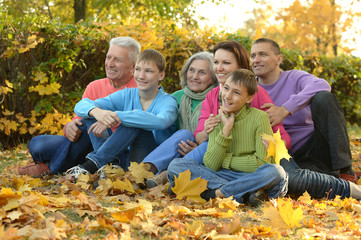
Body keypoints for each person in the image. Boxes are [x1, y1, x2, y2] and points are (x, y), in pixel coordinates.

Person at [17, 36, 141, 177]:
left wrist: (102, 120)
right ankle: (86, 164)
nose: (110, 63)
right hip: (85, 145)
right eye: (108, 58)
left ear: (132, 66)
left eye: (117, 60)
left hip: (117, 150)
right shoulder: (95, 86)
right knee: (38, 144)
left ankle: (51, 168)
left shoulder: (139, 90)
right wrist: (69, 126)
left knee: (90, 121)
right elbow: (79, 120)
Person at [168, 69, 288, 206]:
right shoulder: (217, 119)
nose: (228, 96)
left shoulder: (260, 118)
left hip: (250, 176)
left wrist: (225, 161)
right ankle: (246, 192)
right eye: (226, 88)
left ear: (249, 98)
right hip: (222, 176)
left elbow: (261, 163)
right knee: (176, 165)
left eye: (236, 92)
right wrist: (225, 131)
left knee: (276, 172)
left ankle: (217, 193)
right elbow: (211, 165)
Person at [250, 38, 357, 183]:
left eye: (263, 54)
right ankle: (323, 176)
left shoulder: (294, 77)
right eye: (253, 56)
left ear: (278, 59)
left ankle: (345, 171)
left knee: (324, 98)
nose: (256, 60)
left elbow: (322, 84)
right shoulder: (249, 89)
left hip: (314, 146)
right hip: (283, 155)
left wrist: (285, 109)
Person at [65, 49, 178, 179]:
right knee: (91, 114)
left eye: (148, 71)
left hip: (148, 162)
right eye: (138, 69)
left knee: (135, 122)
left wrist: (118, 116)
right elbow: (81, 105)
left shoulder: (168, 101)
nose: (141, 76)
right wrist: (98, 113)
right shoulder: (127, 94)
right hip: (122, 156)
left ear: (161, 75)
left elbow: (162, 121)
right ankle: (110, 166)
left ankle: (93, 164)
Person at [142, 52, 218, 188]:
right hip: (172, 148)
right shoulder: (177, 96)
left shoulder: (217, 99)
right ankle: (144, 172)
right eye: (192, 70)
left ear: (212, 78)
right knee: (184, 134)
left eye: (202, 73)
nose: (194, 76)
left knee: (200, 143)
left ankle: (164, 175)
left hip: (202, 155)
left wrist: (197, 149)